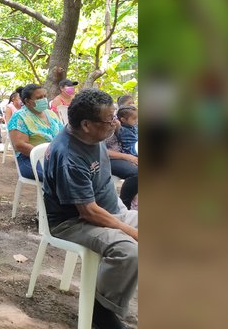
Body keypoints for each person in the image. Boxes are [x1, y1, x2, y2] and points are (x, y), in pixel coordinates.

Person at [42, 88, 138, 329]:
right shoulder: (68, 156)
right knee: (130, 251)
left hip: (108, 209)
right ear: (86, 124)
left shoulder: (92, 136)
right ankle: (101, 311)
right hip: (73, 222)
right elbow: (88, 212)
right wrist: (129, 230)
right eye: (109, 119)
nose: (115, 123)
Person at [8, 83, 63, 179]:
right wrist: (48, 155)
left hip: (56, 157)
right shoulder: (19, 117)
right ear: (27, 101)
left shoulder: (51, 114)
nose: (44, 99)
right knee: (59, 177)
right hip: (30, 159)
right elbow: (20, 145)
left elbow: (63, 135)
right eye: (39, 98)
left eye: (44, 96)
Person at [105, 118, 138, 209]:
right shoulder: (98, 128)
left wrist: (118, 128)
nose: (113, 118)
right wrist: (127, 157)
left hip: (121, 153)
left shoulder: (112, 124)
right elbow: (102, 151)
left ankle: (134, 197)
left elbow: (122, 140)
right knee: (136, 173)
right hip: (109, 158)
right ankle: (124, 204)